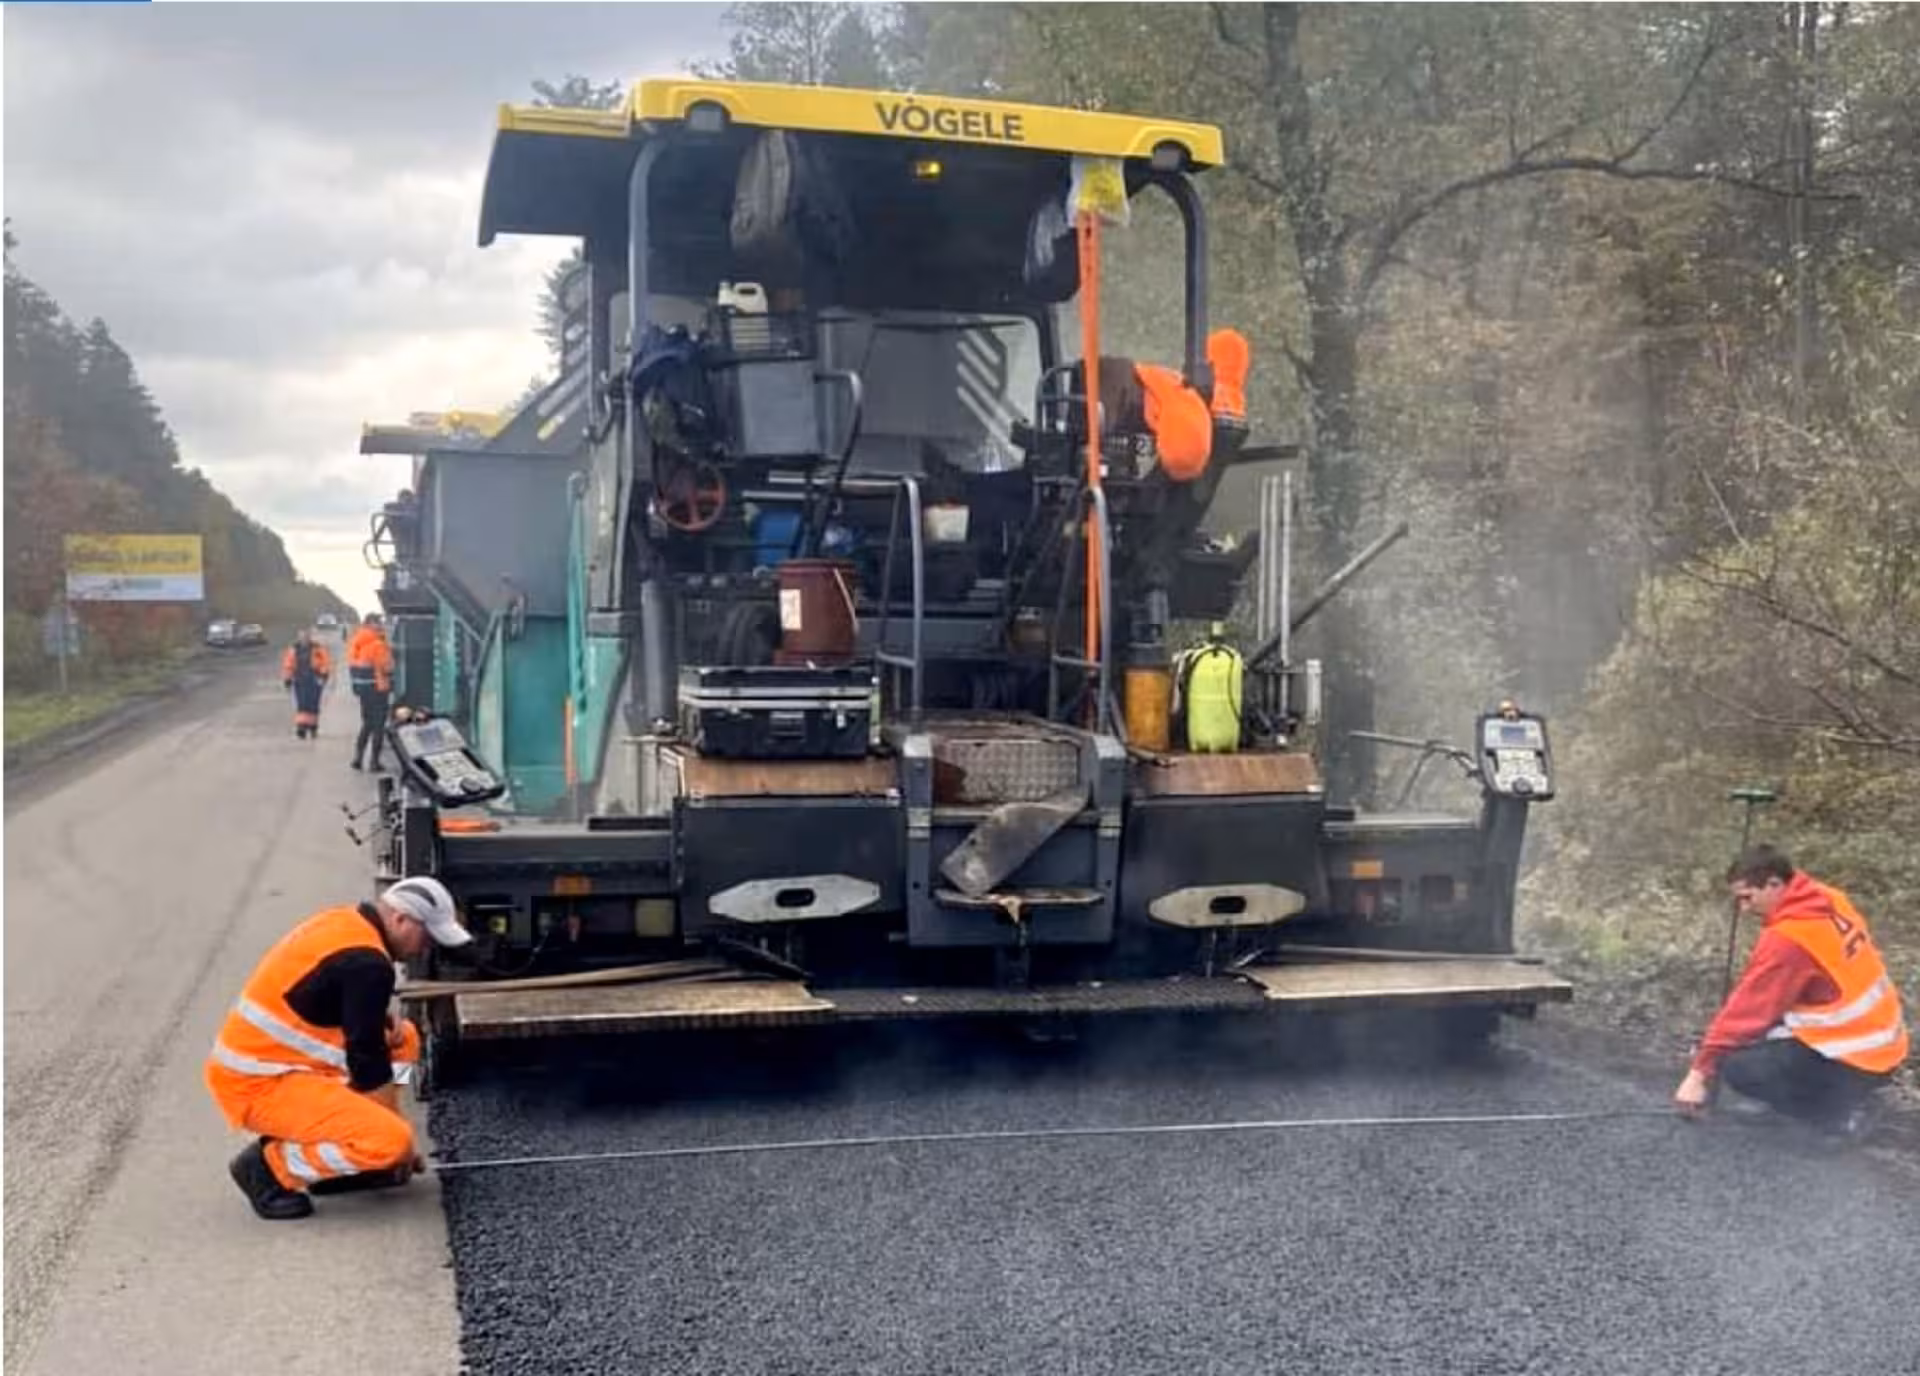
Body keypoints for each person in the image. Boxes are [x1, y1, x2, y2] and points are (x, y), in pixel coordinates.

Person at [205, 877, 472, 1220]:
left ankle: (363, 1154)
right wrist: (397, 1146)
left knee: (404, 1039)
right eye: (427, 937)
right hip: (258, 1083)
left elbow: (345, 1013)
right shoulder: (368, 965)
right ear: (400, 919)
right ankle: (269, 1167)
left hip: (280, 1061)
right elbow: (368, 1063)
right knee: (390, 1141)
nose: (426, 948)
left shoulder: (349, 923)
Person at [1674, 845, 1908, 1139]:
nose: (1744, 909)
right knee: (1746, 1042)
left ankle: (1840, 1115)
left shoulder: (1790, 940)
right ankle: (1813, 1100)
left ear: (1774, 884)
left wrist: (1698, 1075)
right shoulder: (1827, 897)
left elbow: (1745, 1013)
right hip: (1881, 1040)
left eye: (1747, 897)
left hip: (1857, 1056)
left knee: (1739, 1067)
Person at [346, 612, 396, 772]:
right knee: (378, 725)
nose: (381, 625)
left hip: (363, 690)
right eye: (378, 622)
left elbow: (354, 666)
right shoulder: (377, 644)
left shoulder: (356, 642)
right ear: (370, 624)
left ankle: (358, 758)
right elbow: (387, 668)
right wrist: (393, 664)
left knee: (367, 724)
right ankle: (374, 762)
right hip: (378, 689)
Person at [280, 628, 332, 740]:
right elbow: (288, 665)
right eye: (302, 636)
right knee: (302, 704)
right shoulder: (293, 649)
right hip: (300, 679)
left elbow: (325, 662)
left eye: (306, 636)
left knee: (313, 704)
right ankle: (301, 728)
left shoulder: (317, 648)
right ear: (299, 637)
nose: (304, 638)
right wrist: (287, 679)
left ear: (309, 637)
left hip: (314, 679)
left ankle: (313, 727)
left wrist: (323, 675)